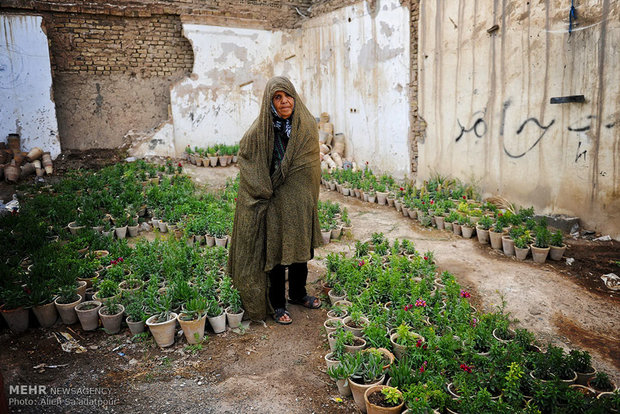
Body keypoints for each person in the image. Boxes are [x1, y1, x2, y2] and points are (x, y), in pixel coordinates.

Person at [227, 76, 322, 325]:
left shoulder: (307, 125)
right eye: (277, 97)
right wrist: (262, 187)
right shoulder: (261, 130)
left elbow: (311, 164)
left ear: (294, 97)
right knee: (278, 252)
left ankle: (299, 293)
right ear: (270, 102)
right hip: (276, 202)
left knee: (301, 249)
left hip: (301, 200)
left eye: (287, 95)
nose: (284, 102)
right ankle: (278, 304)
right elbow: (247, 158)